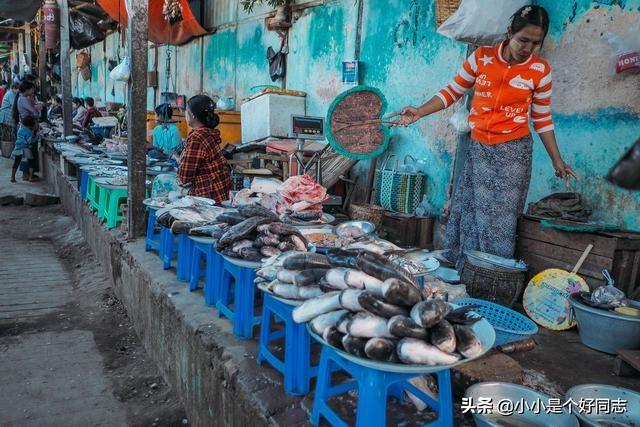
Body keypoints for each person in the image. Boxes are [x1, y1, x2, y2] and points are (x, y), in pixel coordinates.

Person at [392, 5, 577, 266]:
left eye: (536, 43)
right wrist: (419, 112)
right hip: (479, 147)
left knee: (501, 215)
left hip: (514, 151)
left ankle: (494, 270)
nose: (528, 48)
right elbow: (452, 91)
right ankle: (464, 266)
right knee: (470, 207)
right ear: (509, 32)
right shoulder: (482, 57)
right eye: (523, 40)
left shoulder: (540, 70)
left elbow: (542, 118)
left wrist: (557, 161)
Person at [177, 94, 231, 203]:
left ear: (193, 116)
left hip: (207, 198)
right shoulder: (208, 134)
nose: (185, 115)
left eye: (186, 112)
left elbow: (184, 177)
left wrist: (180, 162)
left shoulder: (197, 138)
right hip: (221, 193)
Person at [10, 115, 38, 182]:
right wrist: (37, 137)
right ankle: (31, 177)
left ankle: (12, 177)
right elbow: (30, 142)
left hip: (18, 148)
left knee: (16, 162)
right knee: (31, 162)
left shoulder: (20, 130)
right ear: (32, 124)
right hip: (26, 148)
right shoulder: (29, 132)